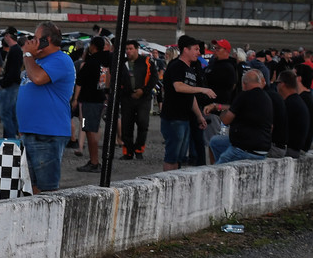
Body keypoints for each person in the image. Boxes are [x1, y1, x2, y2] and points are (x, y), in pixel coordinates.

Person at [15, 22, 75, 193]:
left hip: (48, 134)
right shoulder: (38, 60)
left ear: (46, 40)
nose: (31, 42)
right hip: (32, 131)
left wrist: (27, 54)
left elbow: (38, 78)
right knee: (30, 187)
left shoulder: (61, 59)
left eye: (35, 39)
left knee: (46, 191)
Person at [159, 36, 215, 171]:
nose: (199, 52)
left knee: (179, 158)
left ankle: (174, 185)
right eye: (195, 49)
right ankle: (167, 186)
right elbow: (178, 87)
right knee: (171, 157)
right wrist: (203, 89)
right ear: (185, 50)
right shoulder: (177, 65)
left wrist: (199, 116)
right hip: (173, 118)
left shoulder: (190, 68)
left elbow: (191, 96)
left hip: (184, 118)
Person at [209, 69, 272, 164]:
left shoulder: (244, 96)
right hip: (262, 149)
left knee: (217, 171)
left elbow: (226, 120)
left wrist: (220, 111)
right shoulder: (267, 98)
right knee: (215, 142)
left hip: (244, 149)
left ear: (244, 83)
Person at [72, 36, 111, 173]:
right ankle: (93, 159)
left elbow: (80, 82)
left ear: (93, 46)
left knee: (88, 129)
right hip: (98, 100)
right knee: (89, 128)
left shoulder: (91, 62)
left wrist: (75, 99)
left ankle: (94, 161)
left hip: (89, 101)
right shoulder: (105, 61)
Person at [116, 39, 158, 161]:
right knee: (126, 126)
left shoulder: (147, 61)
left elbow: (154, 78)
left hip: (143, 99)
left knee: (143, 123)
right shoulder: (122, 63)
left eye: (130, 49)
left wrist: (143, 91)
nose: (128, 51)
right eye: (126, 49)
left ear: (137, 49)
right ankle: (127, 152)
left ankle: (139, 150)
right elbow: (117, 80)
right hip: (127, 99)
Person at [278, 70, 313, 157]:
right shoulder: (298, 101)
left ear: (282, 84)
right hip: (296, 149)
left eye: (277, 83)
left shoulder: (290, 104)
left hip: (290, 151)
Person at [0, 28, 24, 139]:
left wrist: (3, 83)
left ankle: (10, 138)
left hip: (10, 86)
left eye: (5, 36)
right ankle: (13, 137)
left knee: (6, 113)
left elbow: (13, 71)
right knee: (12, 113)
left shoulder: (15, 50)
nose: (4, 38)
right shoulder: (15, 50)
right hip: (12, 85)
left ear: (8, 36)